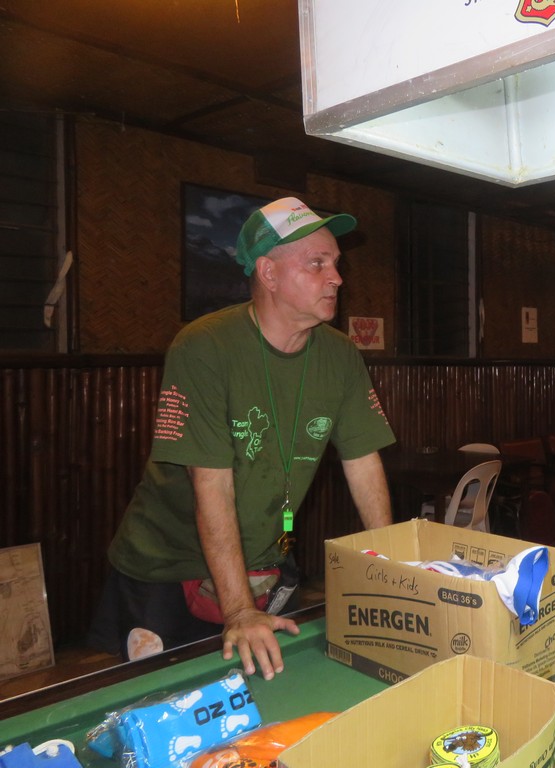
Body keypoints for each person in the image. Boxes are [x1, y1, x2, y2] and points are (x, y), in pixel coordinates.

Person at [88, 197, 395, 679]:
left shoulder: (340, 355)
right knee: (174, 708)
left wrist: (389, 569)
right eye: (317, 264)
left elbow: (363, 462)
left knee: (271, 698)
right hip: (169, 570)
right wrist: (239, 611)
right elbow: (212, 484)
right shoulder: (204, 345)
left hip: (267, 560)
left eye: (336, 263)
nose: (337, 278)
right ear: (269, 273)